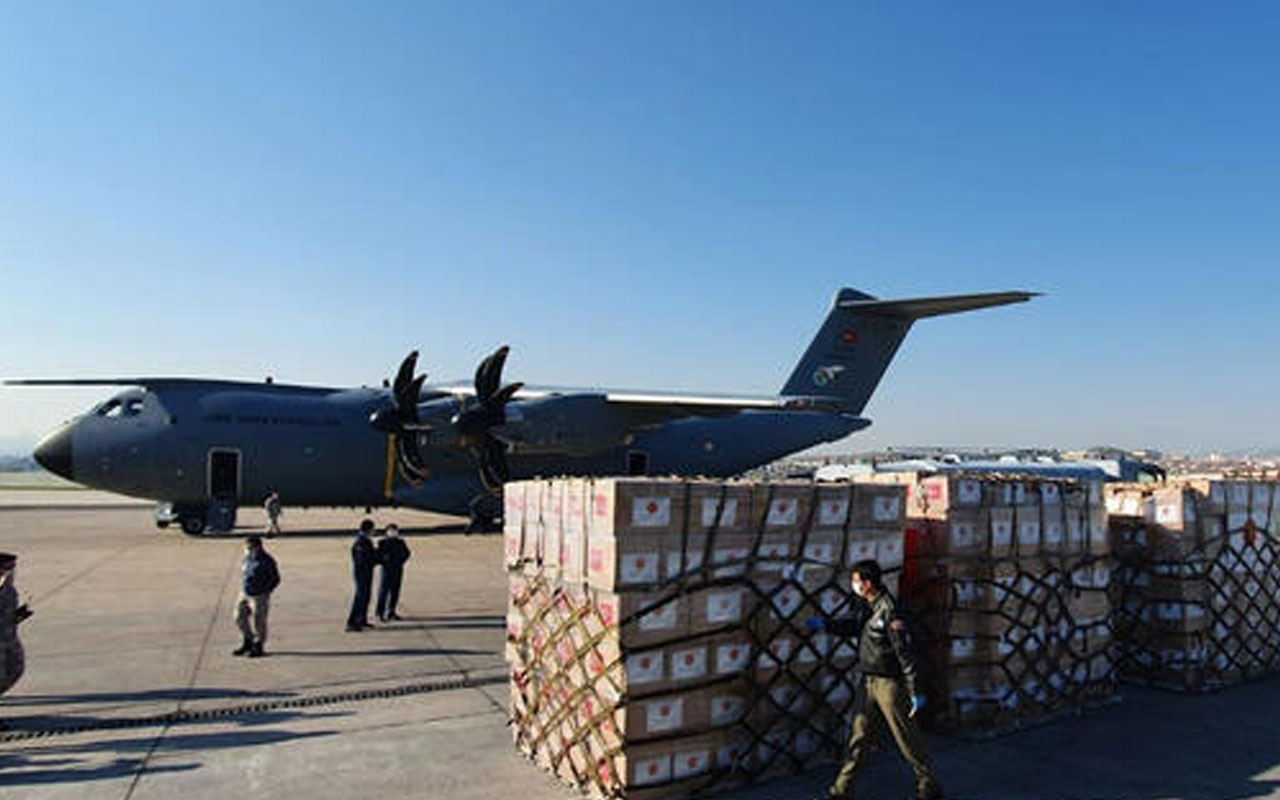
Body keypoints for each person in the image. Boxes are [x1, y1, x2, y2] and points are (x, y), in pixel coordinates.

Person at [807, 559, 942, 800]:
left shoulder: (890, 611)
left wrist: (914, 690)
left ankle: (929, 786)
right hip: (868, 682)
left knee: (907, 739)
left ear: (868, 584)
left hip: (890, 685)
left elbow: (905, 653)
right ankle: (841, 791)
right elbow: (853, 626)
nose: (854, 585)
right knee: (858, 737)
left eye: (857, 581)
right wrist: (826, 624)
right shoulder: (867, 606)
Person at [233, 535, 280, 658]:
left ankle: (259, 645)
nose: (247, 549)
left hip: (259, 595)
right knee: (238, 616)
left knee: (259, 621)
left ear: (257, 547)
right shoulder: (247, 558)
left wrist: (265, 591)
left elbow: (275, 579)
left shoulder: (266, 561)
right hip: (245, 592)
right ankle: (248, 639)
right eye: (246, 547)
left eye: (249, 547)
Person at [1, 553, 31, 706]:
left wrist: (18, 616)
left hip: (8, 639)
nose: (11, 575)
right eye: (7, 571)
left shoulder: (10, 591)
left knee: (14, 670)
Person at [375, 524, 411, 622]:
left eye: (395, 530)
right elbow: (378, 555)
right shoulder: (382, 543)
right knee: (383, 592)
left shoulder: (400, 542)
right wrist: (384, 561)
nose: (393, 532)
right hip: (386, 570)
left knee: (395, 591)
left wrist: (400, 562)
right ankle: (380, 612)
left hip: (397, 569)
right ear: (386, 532)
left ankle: (391, 611)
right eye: (391, 530)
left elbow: (407, 553)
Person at [347, 519, 378, 631]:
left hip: (367, 573)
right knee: (360, 598)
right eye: (373, 529)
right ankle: (352, 622)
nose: (374, 531)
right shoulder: (361, 542)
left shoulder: (366, 541)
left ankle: (362, 620)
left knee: (366, 597)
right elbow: (362, 560)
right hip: (362, 574)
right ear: (368, 529)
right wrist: (376, 559)